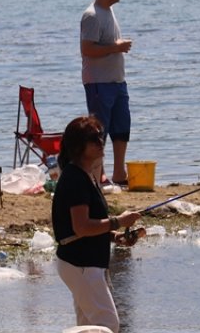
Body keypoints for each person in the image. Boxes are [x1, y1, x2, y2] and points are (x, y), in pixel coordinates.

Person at [53, 115, 144, 332]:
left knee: (88, 326)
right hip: (80, 263)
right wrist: (118, 221)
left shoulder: (85, 174)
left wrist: (115, 237)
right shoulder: (75, 179)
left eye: (101, 137)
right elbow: (81, 227)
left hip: (81, 263)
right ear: (79, 147)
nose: (100, 142)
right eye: (94, 139)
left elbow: (88, 227)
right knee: (107, 325)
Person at [80, 0, 133, 187]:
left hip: (117, 81)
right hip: (99, 83)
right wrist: (116, 47)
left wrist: (116, 47)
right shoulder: (92, 15)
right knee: (99, 130)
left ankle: (119, 174)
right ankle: (98, 176)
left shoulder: (108, 11)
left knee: (122, 127)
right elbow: (87, 49)